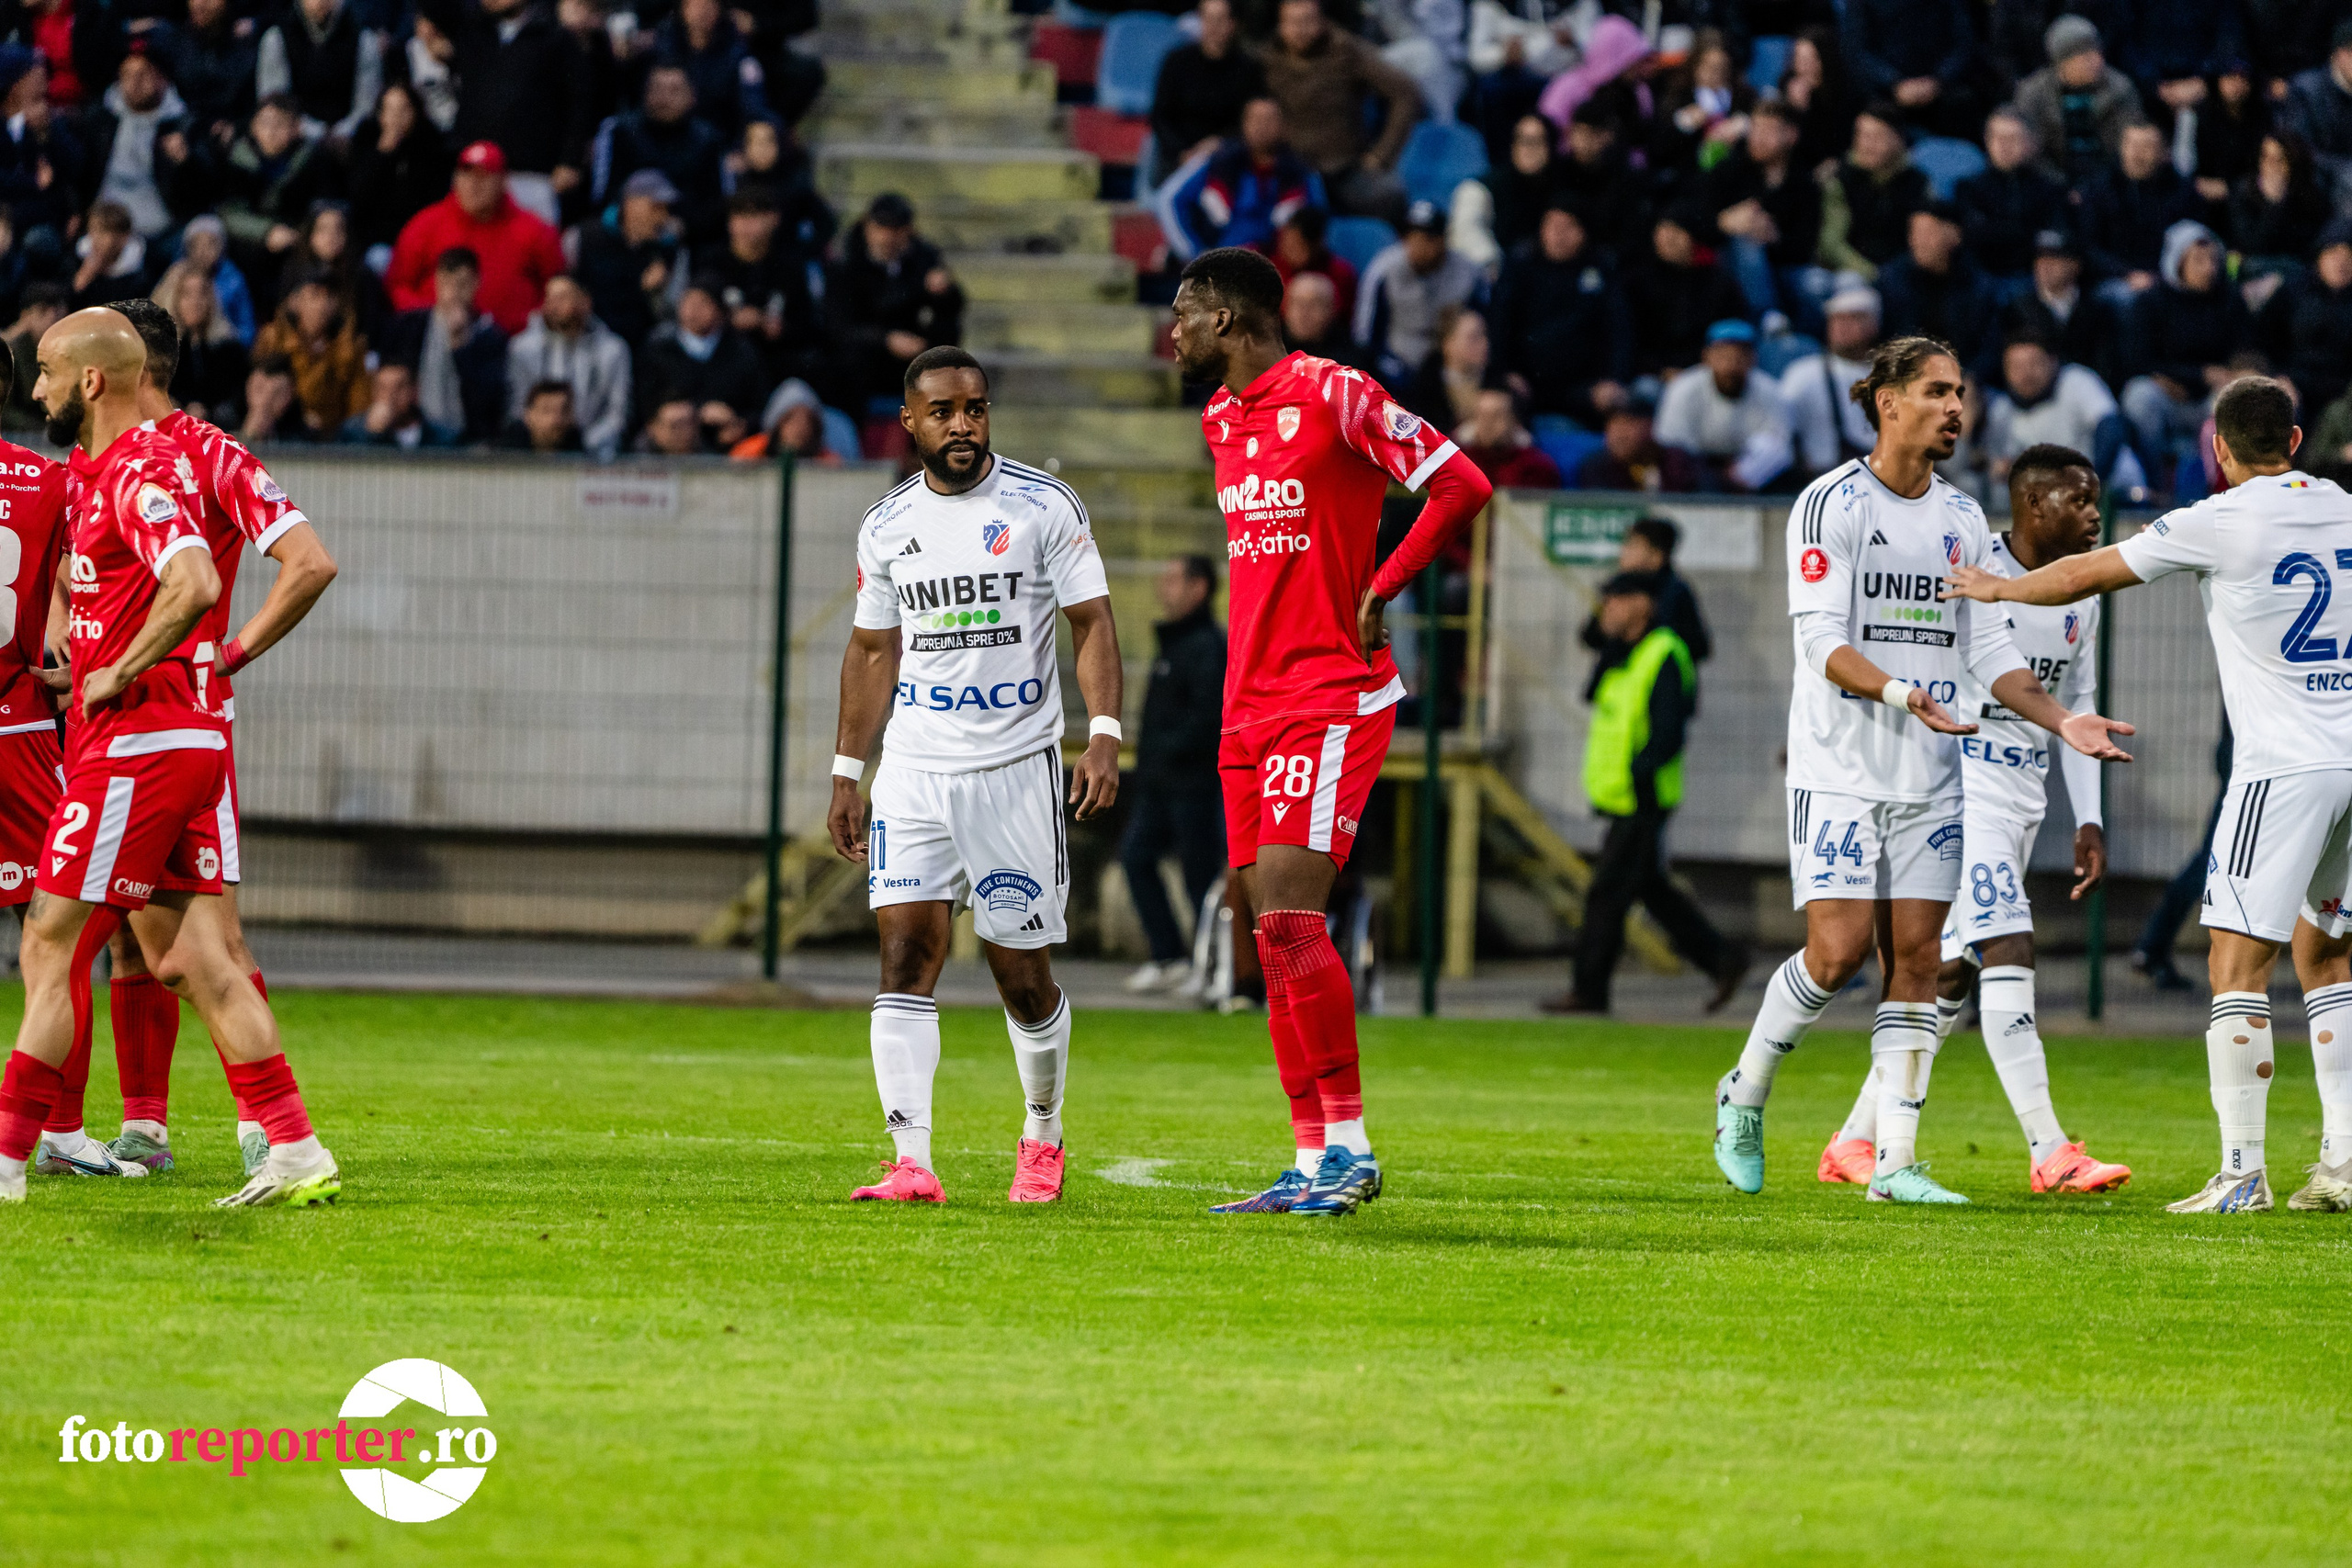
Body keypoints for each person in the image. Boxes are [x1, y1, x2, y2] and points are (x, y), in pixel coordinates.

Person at [1710, 334, 2132, 1204]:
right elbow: (1822, 641)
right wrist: (1906, 695)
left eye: (1960, 393)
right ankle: (1744, 1089)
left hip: (1936, 774)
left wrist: (2063, 719)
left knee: (1918, 960)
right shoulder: (1831, 504)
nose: (1955, 408)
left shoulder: (1962, 520)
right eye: (1938, 391)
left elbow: (1987, 647)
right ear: (1887, 401)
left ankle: (1894, 1161)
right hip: (1839, 767)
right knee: (1834, 955)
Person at [1947, 376, 2352, 1214]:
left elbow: (2088, 573)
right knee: (2329, 955)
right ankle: (2343, 1161)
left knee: (2235, 962)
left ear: (2219, 448)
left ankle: (2242, 1173)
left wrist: (2000, 589)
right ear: (2299, 438)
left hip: (2282, 764)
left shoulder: (2217, 518)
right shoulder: (2345, 506)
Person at [1170, 246, 1493, 1216]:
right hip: (1246, 703)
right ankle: (1309, 1159)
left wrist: (1383, 586)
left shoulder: (1336, 394)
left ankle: (1348, 1146)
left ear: (1228, 318)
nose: (1173, 330)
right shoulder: (1220, 420)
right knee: (1263, 933)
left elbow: (1461, 484)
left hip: (1327, 695)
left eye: (1185, 312)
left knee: (1290, 917)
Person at [2, 308, 340, 1207]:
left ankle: (31, 1149)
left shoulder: (181, 457)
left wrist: (197, 657)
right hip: (166, 727)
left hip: (151, 731)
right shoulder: (97, 466)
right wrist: (83, 641)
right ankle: (260, 1137)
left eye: (46, 370)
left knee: (71, 934)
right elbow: (93, 576)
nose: (35, 388)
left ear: (106, 374)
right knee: (178, 950)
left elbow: (278, 567)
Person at [826, 346, 1124, 1206]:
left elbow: (1092, 622)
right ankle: (910, 1161)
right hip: (915, 770)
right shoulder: (887, 526)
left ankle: (1042, 1128)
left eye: (977, 409)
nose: (964, 426)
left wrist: (1102, 732)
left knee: (1019, 973)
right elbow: (874, 648)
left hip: (1014, 771)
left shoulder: (1041, 506)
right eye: (946, 412)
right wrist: (849, 770)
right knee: (903, 954)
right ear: (910, 422)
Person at [1817, 444, 2132, 1195]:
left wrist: (2087, 816)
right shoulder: (1966, 571)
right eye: (2078, 500)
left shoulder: (2078, 594)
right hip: (1970, 786)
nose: (2093, 514)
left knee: (1951, 973)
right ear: (2032, 505)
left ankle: (1854, 1139)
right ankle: (2050, 1149)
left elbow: (2078, 709)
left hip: (2024, 797)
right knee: (2009, 943)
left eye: (2095, 500)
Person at [1546, 570, 1746, 1015]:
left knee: (1607, 894)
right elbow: (1591, 643)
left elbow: (1669, 731)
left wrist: (1641, 771)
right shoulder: (1623, 653)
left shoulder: (1664, 653)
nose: (1607, 609)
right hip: (1622, 796)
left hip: (1643, 795)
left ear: (1643, 603)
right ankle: (1722, 958)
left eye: (1616, 600)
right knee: (1650, 889)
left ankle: (1588, 989)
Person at [1121, 555, 1227, 994]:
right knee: (1135, 857)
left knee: (1200, 878)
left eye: (1172, 580)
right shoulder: (1175, 643)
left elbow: (1207, 719)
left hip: (1195, 784)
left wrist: (1167, 754)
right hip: (1161, 784)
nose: (1163, 589)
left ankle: (1215, 968)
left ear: (1198, 587)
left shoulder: (1208, 646)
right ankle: (1170, 957)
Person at [413, 0, 594, 225]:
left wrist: (571, 159)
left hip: (530, 172)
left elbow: (579, 103)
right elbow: (435, 8)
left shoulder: (555, 37)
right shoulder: (471, 29)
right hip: (473, 169)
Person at [1256, 0, 1420, 224]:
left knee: (1390, 196)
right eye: (1292, 22)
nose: (1300, 30)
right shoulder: (1266, 59)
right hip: (1289, 169)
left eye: (1308, 21)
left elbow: (1405, 93)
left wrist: (1382, 155)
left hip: (1345, 168)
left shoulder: (1346, 50)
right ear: (1280, 25)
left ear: (1322, 21)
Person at [383, 141, 568, 338]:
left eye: (483, 176)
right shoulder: (426, 225)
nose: (473, 185)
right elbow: (397, 285)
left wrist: (528, 323)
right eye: (466, 175)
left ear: (502, 181)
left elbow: (559, 286)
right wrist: (430, 317)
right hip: (437, 340)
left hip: (513, 345)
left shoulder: (534, 230)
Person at [1488, 202, 1631, 426]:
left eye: (1568, 227)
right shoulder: (1521, 265)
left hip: (1585, 386)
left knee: (1620, 402)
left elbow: (1619, 329)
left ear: (1584, 231)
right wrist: (1504, 373)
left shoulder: (1601, 268)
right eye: (1552, 226)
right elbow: (1500, 324)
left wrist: (1614, 379)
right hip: (1527, 383)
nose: (1559, 235)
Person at [825, 192, 963, 414]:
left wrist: (943, 291)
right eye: (882, 228)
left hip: (910, 345)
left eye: (896, 230)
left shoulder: (922, 256)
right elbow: (839, 326)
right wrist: (886, 339)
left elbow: (952, 308)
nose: (888, 238)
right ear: (868, 227)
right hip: (864, 351)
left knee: (946, 332)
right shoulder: (846, 261)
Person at [379, 245, 508, 444]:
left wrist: (461, 348)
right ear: (436, 282)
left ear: (477, 283)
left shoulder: (490, 337)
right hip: (417, 439)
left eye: (462, 284)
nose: (453, 293)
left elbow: (487, 402)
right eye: (446, 283)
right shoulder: (409, 327)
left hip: (467, 441)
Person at [592, 62, 728, 245]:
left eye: (674, 90)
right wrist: (627, 216)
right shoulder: (621, 132)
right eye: (657, 89)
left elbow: (718, 205)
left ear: (692, 96)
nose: (664, 99)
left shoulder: (708, 140)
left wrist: (684, 225)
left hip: (691, 241)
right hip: (624, 236)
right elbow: (603, 197)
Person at [1173, 96, 1323, 259]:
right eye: (1255, 120)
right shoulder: (1218, 164)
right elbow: (1173, 201)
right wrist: (1195, 253)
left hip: (1277, 265)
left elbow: (1317, 222)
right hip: (1221, 260)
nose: (1262, 127)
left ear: (1284, 126)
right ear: (1244, 124)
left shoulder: (1301, 173)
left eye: (1269, 120)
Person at [1353, 200, 1483, 388]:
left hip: (1450, 367)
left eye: (1426, 238)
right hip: (1398, 364)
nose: (1417, 245)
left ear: (1443, 239)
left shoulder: (1468, 272)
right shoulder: (1384, 269)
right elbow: (1365, 336)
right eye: (1411, 237)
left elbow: (1485, 325)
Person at [1655, 320, 1794, 493]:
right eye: (1722, 356)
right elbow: (1671, 442)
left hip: (1746, 469)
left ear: (1753, 358)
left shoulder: (1771, 392)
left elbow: (1778, 446)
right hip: (1697, 465)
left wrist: (1740, 473)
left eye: (1739, 356)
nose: (1730, 365)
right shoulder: (1683, 388)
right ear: (1706, 357)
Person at [503, 274, 630, 462]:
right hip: (534, 450)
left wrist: (583, 443)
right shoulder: (523, 348)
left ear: (585, 302)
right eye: (549, 298)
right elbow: (517, 407)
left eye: (562, 297)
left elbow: (617, 414)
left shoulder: (612, 350)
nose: (553, 306)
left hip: (594, 453)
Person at [2013, 15, 2147, 189]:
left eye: (2098, 52)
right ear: (2062, 62)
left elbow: (2125, 148)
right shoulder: (2033, 93)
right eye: (2085, 56)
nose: (2097, 61)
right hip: (2048, 186)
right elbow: (2031, 151)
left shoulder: (2120, 89)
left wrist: (2093, 190)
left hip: (2109, 187)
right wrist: (2060, 187)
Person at [1147, 0, 1263, 187]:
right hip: (1178, 158)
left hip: (1227, 157)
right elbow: (1160, 116)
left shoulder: (1248, 68)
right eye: (1207, 19)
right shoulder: (1176, 62)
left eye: (1220, 20)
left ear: (1233, 24)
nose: (1213, 27)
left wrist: (1221, 143)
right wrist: (1183, 152)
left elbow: (1248, 119)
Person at [1815, 104, 1928, 284]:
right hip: (1851, 271)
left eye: (1876, 136)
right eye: (1861, 135)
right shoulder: (1842, 179)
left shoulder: (1918, 183)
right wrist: (1871, 273)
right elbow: (1832, 243)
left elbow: (1922, 240)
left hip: (1901, 273)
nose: (1866, 144)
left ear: (1898, 139)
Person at [250, 268, 368, 434]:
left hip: (332, 440)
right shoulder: (273, 338)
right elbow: (257, 387)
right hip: (280, 429)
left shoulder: (351, 346)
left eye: (330, 296)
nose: (323, 304)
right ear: (295, 301)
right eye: (315, 295)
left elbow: (358, 404)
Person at [1781, 285, 1882, 477]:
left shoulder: (1895, 376)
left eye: (1853, 318)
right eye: (1836, 319)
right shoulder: (1803, 374)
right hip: (1823, 479)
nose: (1842, 326)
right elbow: (1782, 432)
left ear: (1873, 324)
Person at [254, 0, 383, 142]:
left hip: (349, 139)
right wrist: (312, 130)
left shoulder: (364, 39)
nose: (320, 2)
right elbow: (274, 100)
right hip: (293, 137)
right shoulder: (276, 38)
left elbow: (366, 105)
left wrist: (342, 132)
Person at [1576, 396, 1696, 492]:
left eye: (1628, 424)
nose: (1619, 435)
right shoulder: (1595, 467)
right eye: (1613, 424)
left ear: (1650, 426)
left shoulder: (1679, 463)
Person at [1458, 386, 1561, 489]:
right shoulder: (1460, 463)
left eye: (1496, 416)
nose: (1487, 424)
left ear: (1514, 420)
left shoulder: (1537, 467)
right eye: (1481, 416)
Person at [339, 360, 458, 447]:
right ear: (374, 393)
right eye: (383, 388)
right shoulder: (354, 433)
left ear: (414, 391)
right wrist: (373, 436)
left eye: (399, 388)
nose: (391, 396)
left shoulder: (443, 438)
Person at [1277, 267, 1353, 364]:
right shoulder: (1267, 355)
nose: (1304, 313)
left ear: (1331, 310)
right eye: (1297, 303)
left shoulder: (1353, 363)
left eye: (1314, 304)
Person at [497, 378, 582, 452]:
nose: (556, 419)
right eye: (547, 410)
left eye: (564, 411)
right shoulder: (502, 457)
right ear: (528, 415)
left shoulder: (581, 457)